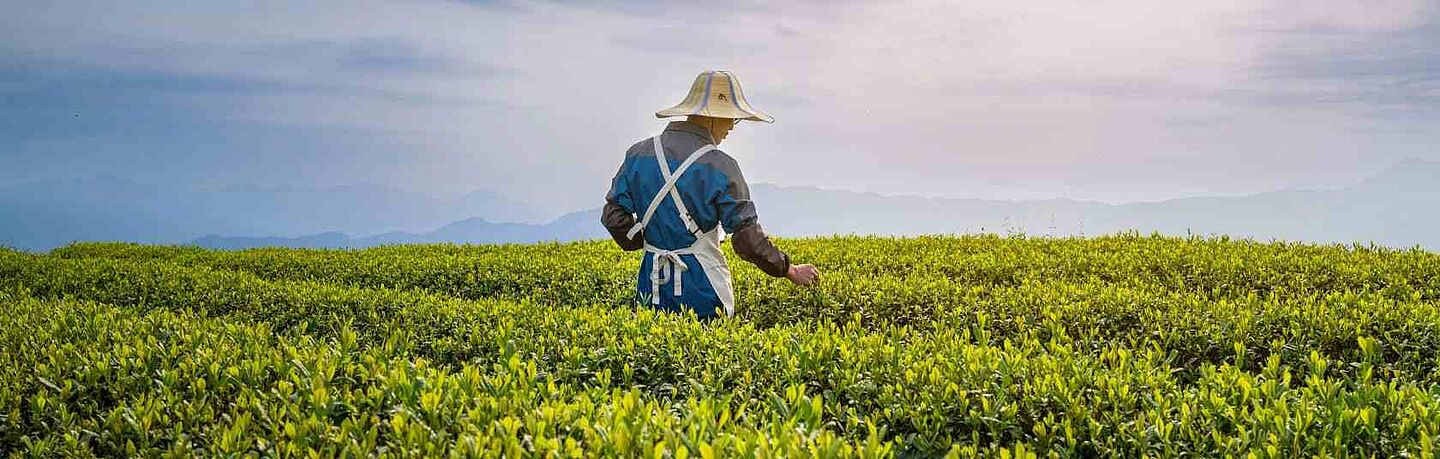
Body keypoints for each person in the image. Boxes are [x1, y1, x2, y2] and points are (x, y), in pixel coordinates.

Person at [602, 70, 820, 320]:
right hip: (702, 288)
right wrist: (789, 269)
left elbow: (613, 215)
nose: (731, 128)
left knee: (652, 350)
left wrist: (647, 240)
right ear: (713, 117)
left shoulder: (638, 155)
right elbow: (746, 239)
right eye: (732, 119)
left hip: (651, 287)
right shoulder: (721, 166)